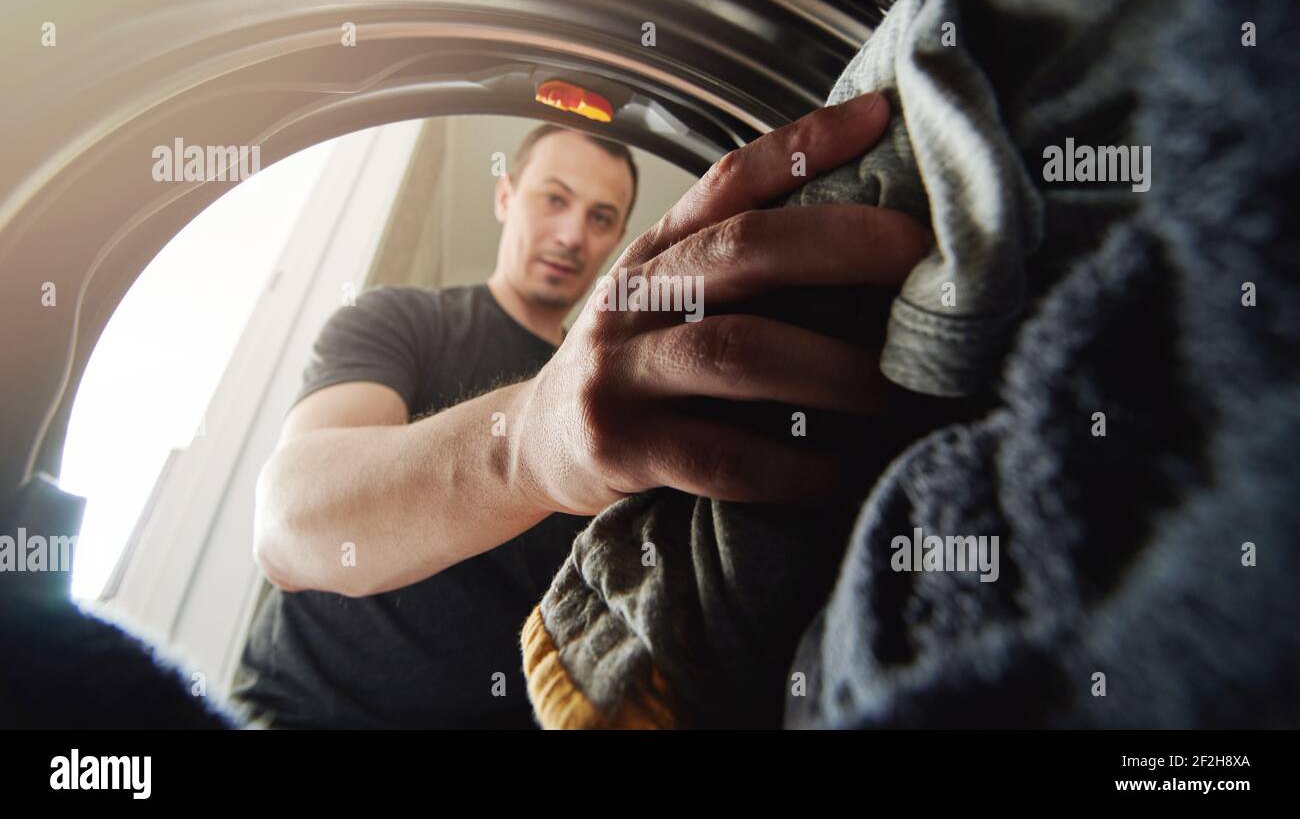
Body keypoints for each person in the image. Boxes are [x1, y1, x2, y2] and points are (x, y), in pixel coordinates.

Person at [231, 93, 931, 728]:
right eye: (553, 199)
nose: (572, 234)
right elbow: (290, 523)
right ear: (506, 195)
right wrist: (528, 448)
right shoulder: (402, 320)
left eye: (600, 218)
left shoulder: (647, 392)